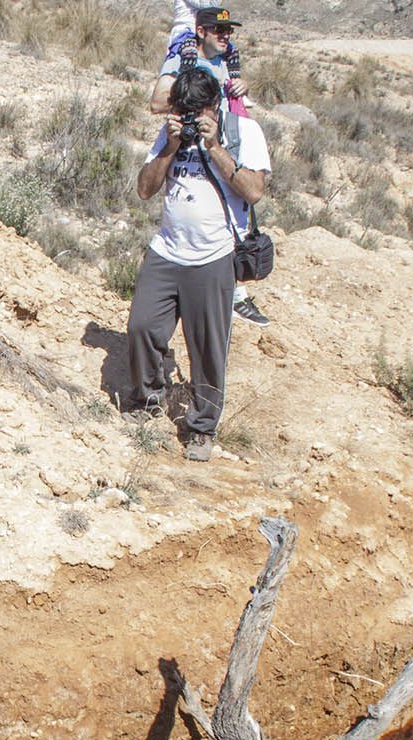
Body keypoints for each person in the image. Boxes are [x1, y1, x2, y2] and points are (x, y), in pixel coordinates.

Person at [125, 68, 271, 462]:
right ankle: (148, 398)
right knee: (142, 326)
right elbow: (144, 189)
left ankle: (202, 427)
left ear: (213, 106)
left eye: (196, 112)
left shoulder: (244, 133)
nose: (189, 119)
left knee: (207, 348)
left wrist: (216, 147)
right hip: (168, 250)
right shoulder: (171, 134)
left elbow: (255, 191)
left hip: (213, 256)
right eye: (183, 112)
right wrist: (171, 147)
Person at [150, 8, 273, 327]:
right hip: (192, 146)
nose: (225, 36)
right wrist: (196, 102)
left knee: (235, 212)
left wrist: (239, 89)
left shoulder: (229, 62)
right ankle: (223, 296)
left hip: (229, 142)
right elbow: (157, 103)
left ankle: (236, 292)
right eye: (219, 30)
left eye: (228, 31)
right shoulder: (182, 60)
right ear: (200, 31)